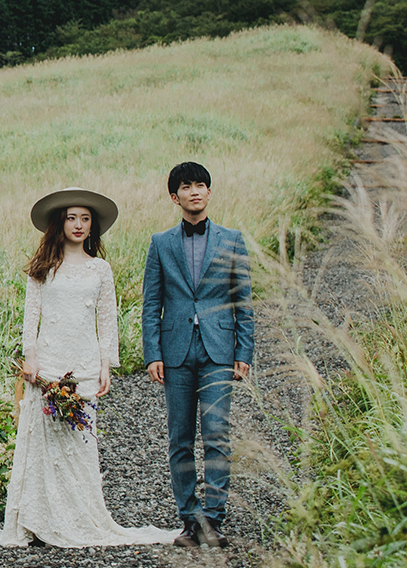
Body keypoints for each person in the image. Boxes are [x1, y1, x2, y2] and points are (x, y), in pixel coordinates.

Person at [0, 187, 177, 547]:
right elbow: (31, 316)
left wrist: (107, 363)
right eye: (71, 218)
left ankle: (76, 517)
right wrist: (29, 357)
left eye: (85, 218)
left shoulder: (100, 269)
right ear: (59, 223)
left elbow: (107, 320)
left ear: (92, 226)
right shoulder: (44, 266)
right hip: (47, 364)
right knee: (41, 442)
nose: (78, 225)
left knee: (79, 443)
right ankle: (37, 519)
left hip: (84, 364)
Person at [142, 162, 253, 548]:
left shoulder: (232, 239)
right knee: (180, 438)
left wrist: (244, 350)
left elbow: (243, 301)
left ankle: (215, 520)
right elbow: (151, 302)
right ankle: (189, 520)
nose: (195, 192)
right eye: (186, 187)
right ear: (175, 197)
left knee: (218, 435)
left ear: (209, 192)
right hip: (175, 353)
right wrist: (152, 352)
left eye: (201, 185)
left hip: (218, 350)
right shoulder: (160, 242)